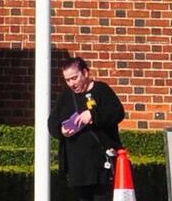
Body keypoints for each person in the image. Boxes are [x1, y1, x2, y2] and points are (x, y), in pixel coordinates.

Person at [47, 56, 125, 201]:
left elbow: (117, 112)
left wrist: (92, 115)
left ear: (85, 72)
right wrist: (61, 130)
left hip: (101, 167)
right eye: (68, 80)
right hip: (77, 170)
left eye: (74, 78)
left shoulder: (101, 90)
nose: (72, 83)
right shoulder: (66, 97)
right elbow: (52, 122)